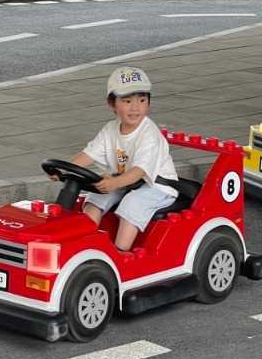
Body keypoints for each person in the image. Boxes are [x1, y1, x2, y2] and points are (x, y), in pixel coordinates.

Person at [59, 66, 178, 251]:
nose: (135, 107)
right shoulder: (110, 130)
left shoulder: (149, 134)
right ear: (112, 103)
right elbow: (87, 155)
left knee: (133, 203)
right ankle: (83, 242)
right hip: (125, 181)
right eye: (127, 101)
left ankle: (121, 253)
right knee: (94, 197)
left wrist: (114, 183)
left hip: (156, 186)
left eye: (142, 100)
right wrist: (64, 169)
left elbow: (139, 171)